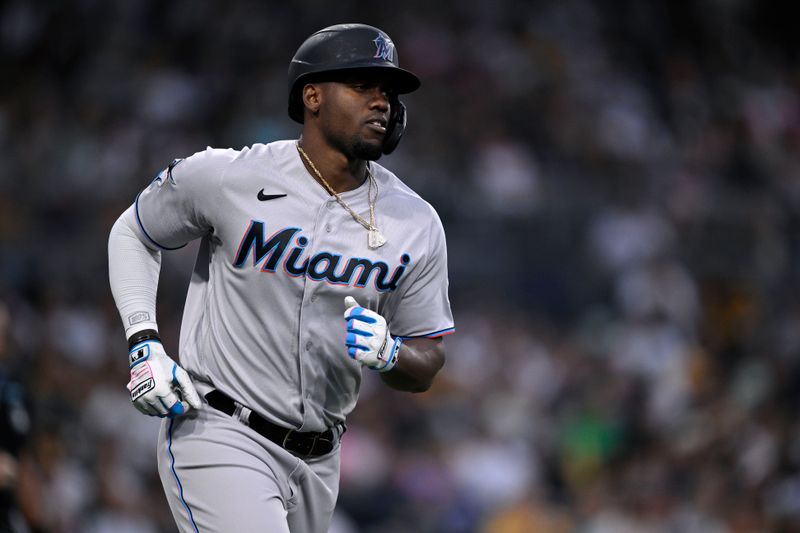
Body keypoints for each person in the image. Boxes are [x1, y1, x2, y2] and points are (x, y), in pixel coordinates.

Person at [108, 23, 454, 533]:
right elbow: (134, 231)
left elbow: (428, 359)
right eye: (363, 85)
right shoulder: (229, 176)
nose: (381, 102)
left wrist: (392, 353)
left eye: (389, 92)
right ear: (312, 95)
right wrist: (144, 342)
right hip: (221, 429)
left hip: (320, 459)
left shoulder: (415, 222)